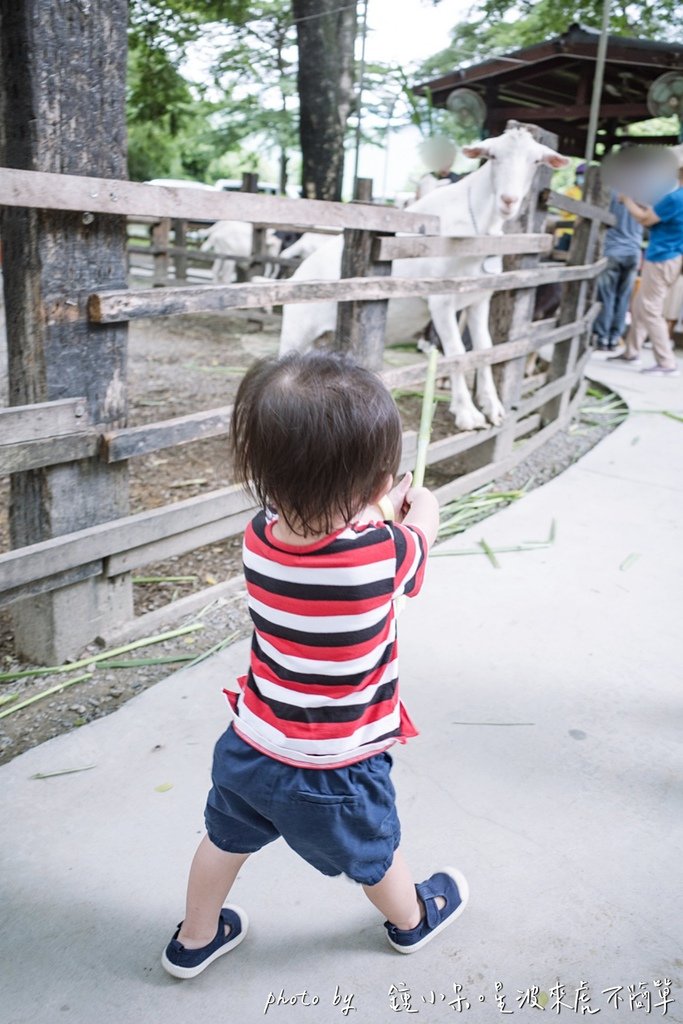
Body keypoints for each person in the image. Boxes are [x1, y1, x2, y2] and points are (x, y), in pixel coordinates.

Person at [161, 352, 469, 979]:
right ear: (376, 482)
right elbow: (422, 534)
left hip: (251, 745)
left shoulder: (258, 537)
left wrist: (373, 502)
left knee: (223, 840)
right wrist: (421, 506)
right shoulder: (384, 553)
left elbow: (330, 527)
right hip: (335, 767)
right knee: (374, 855)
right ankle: (412, 921)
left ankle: (195, 939)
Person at [609, 146, 683, 377]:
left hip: (662, 256)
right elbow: (655, 215)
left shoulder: (675, 197)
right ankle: (632, 351)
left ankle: (666, 361)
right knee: (641, 304)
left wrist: (627, 200)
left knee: (650, 308)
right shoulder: (675, 198)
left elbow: (645, 220)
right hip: (672, 255)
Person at [592, 191, 643, 351]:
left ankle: (601, 337)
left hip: (612, 250)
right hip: (633, 252)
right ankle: (614, 338)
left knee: (606, 296)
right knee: (624, 297)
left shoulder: (612, 193)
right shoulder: (643, 196)